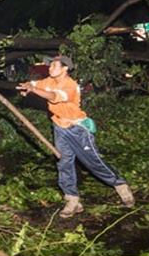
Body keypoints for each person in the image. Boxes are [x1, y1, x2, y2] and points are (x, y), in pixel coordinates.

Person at [17, 55, 135, 218]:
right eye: (50, 65)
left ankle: (120, 185)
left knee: (93, 162)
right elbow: (37, 84)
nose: (50, 68)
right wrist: (29, 86)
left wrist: (34, 90)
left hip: (77, 130)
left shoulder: (70, 85)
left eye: (53, 65)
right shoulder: (50, 80)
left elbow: (54, 97)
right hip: (59, 127)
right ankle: (72, 199)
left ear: (65, 68)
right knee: (64, 163)